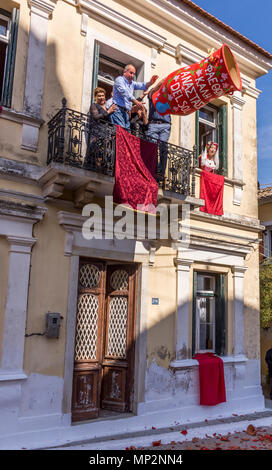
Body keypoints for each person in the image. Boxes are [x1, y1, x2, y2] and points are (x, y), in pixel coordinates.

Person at [110, 64, 158, 130]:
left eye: (134, 74)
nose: (132, 76)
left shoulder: (132, 83)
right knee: (121, 134)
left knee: (126, 135)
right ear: (124, 72)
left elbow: (142, 85)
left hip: (126, 113)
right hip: (118, 110)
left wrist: (150, 82)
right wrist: (136, 102)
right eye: (131, 73)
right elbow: (125, 92)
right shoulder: (119, 80)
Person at [146, 82, 172, 180]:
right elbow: (150, 92)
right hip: (153, 124)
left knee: (163, 147)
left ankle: (161, 172)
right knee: (152, 146)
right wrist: (161, 83)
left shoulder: (167, 98)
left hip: (165, 124)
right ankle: (154, 168)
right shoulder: (153, 96)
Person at [86, 87, 117, 168]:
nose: (101, 97)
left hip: (106, 134)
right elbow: (96, 116)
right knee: (97, 153)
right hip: (97, 132)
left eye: (102, 95)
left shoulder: (107, 107)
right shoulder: (94, 105)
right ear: (95, 97)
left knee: (105, 154)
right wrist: (108, 112)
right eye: (99, 96)